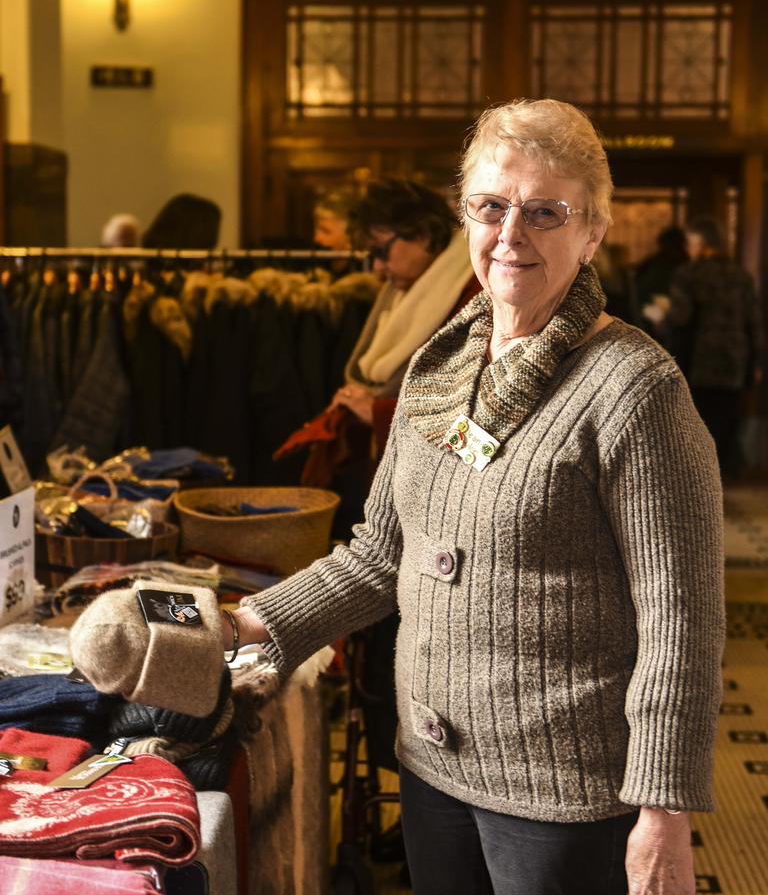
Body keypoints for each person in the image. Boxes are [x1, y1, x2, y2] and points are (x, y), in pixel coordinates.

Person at [224, 99, 724, 895]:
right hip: (430, 772)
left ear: (594, 231)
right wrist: (241, 626)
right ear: (466, 217)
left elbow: (682, 618)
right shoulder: (441, 362)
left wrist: (663, 810)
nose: (511, 234)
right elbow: (379, 556)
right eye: (491, 207)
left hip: (562, 797)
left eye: (545, 212)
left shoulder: (635, 387)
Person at [329, 178, 479, 455]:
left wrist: (379, 412)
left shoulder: (477, 294)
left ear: (423, 234)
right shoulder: (403, 293)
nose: (377, 268)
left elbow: (484, 436)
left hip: (445, 483)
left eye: (381, 251)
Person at [663, 216, 762, 474]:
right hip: (734, 359)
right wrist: (757, 362)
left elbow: (680, 318)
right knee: (727, 417)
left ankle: (700, 475)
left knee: (698, 419)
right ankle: (726, 473)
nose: (688, 249)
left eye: (690, 243)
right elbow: (754, 321)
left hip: (699, 359)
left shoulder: (689, 274)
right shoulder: (741, 276)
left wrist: (663, 315)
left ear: (700, 242)